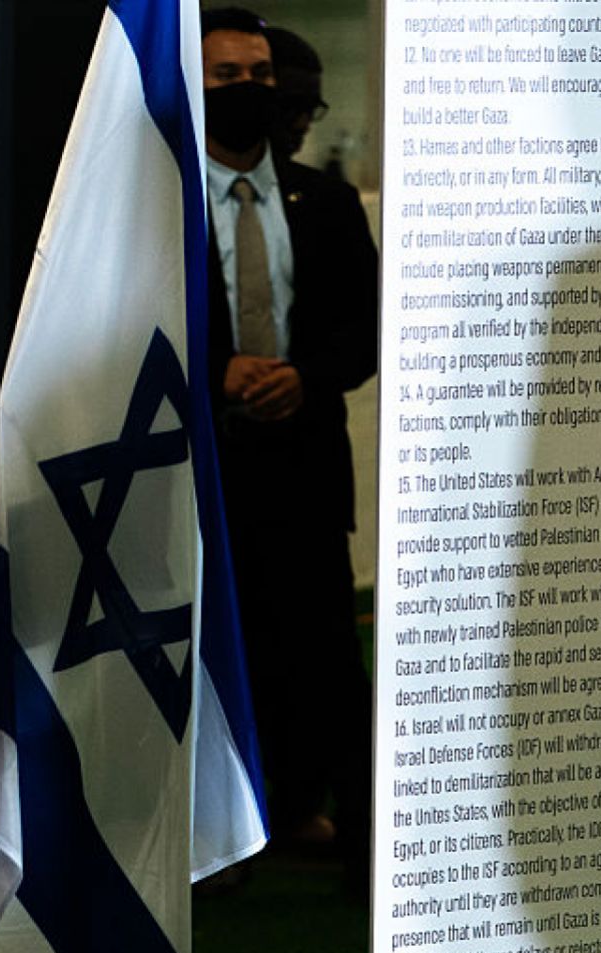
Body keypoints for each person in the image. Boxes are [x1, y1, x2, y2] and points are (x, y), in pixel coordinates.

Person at [200, 10, 378, 898]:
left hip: (305, 473)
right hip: (202, 474)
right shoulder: (158, 204)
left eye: (260, 75)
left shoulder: (327, 202)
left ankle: (364, 855)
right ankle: (215, 846)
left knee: (328, 665)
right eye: (227, 76)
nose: (249, 90)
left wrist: (306, 376)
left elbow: (367, 331)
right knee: (215, 658)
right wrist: (213, 373)